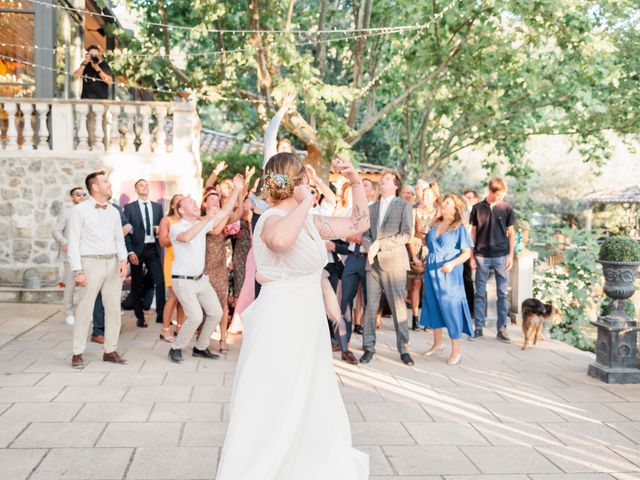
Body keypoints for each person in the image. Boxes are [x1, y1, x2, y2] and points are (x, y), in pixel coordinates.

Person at [216, 152, 369, 479]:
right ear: (299, 182)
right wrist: (304, 204)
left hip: (306, 321)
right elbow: (281, 240)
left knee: (310, 394)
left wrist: (355, 181)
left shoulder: (311, 222)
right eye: (305, 180)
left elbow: (359, 223)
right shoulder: (269, 217)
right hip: (280, 321)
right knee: (279, 394)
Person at [167, 175, 245, 364]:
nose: (195, 204)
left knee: (216, 313)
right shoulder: (176, 227)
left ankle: (200, 348)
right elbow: (186, 237)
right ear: (181, 210)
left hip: (201, 279)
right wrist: (205, 220)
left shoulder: (201, 223)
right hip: (183, 280)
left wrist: (236, 189)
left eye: (195, 202)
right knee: (195, 316)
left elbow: (226, 210)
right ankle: (176, 348)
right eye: (190, 203)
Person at [67, 171, 128, 368]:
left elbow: (119, 239)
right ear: (95, 187)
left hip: (113, 264)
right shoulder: (79, 210)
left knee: (113, 310)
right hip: (89, 264)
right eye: (105, 181)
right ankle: (77, 352)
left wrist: (123, 261)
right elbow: (73, 242)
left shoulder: (114, 211)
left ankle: (110, 350)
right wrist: (78, 271)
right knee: (85, 310)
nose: (109, 184)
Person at [360, 171, 414, 366]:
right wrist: (369, 246)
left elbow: (406, 235)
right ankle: (368, 347)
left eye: (388, 179)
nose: (383, 180)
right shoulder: (372, 208)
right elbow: (365, 235)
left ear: (396, 186)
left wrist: (379, 244)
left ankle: (404, 349)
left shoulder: (404, 206)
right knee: (370, 307)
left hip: (395, 263)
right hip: (372, 264)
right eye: (382, 178)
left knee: (398, 307)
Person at [420, 194, 474, 365]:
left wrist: (451, 264)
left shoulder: (459, 228)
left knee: (450, 308)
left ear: (456, 208)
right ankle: (437, 344)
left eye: (447, 202)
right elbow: (429, 246)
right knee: (432, 305)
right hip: (431, 269)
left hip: (448, 272)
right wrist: (423, 236)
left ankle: (456, 350)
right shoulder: (435, 223)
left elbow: (467, 253)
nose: (443, 204)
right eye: (443, 201)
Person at [470, 178, 516, 342]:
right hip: (481, 256)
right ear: (490, 192)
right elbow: (473, 234)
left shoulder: (507, 208)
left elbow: (511, 234)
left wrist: (511, 255)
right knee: (479, 293)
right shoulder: (477, 209)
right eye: (499, 195)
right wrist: (471, 256)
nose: (501, 198)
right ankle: (478, 328)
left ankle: (502, 329)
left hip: (501, 256)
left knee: (502, 294)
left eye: (503, 195)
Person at [123, 179, 165, 328]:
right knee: (137, 284)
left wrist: (160, 231)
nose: (145, 187)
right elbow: (126, 233)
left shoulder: (157, 207)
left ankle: (161, 315)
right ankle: (139, 316)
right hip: (137, 249)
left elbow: (163, 228)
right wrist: (130, 252)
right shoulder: (129, 208)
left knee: (160, 281)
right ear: (136, 189)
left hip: (152, 248)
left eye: (147, 185)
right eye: (141, 185)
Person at [340, 177, 376, 339]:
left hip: (369, 260)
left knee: (370, 302)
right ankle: (342, 340)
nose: (360, 187)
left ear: (372, 192)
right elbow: (342, 234)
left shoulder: (376, 211)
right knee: (345, 299)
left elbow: (376, 237)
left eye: (365, 185)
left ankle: (368, 343)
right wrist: (352, 237)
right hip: (352, 258)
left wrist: (362, 238)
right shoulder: (350, 210)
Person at [52, 187, 87, 326]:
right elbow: (55, 231)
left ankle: (85, 313)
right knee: (70, 286)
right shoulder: (67, 212)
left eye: (84, 194)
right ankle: (69, 313)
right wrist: (63, 241)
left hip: (86, 254)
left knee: (87, 285)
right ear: (72, 197)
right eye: (78, 194)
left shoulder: (89, 212)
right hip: (70, 255)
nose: (81, 197)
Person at [158, 194, 185, 342]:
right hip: (172, 261)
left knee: (183, 298)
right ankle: (165, 329)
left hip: (185, 261)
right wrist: (178, 235)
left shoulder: (187, 221)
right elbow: (162, 242)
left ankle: (180, 326)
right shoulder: (166, 220)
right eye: (178, 201)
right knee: (174, 296)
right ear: (173, 206)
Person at [462, 189, 480, 319]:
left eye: (469, 197)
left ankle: (471, 308)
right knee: (461, 277)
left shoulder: (477, 211)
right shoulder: (462, 211)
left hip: (472, 248)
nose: (466, 199)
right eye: (465, 197)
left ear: (475, 199)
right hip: (460, 247)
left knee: (468, 279)